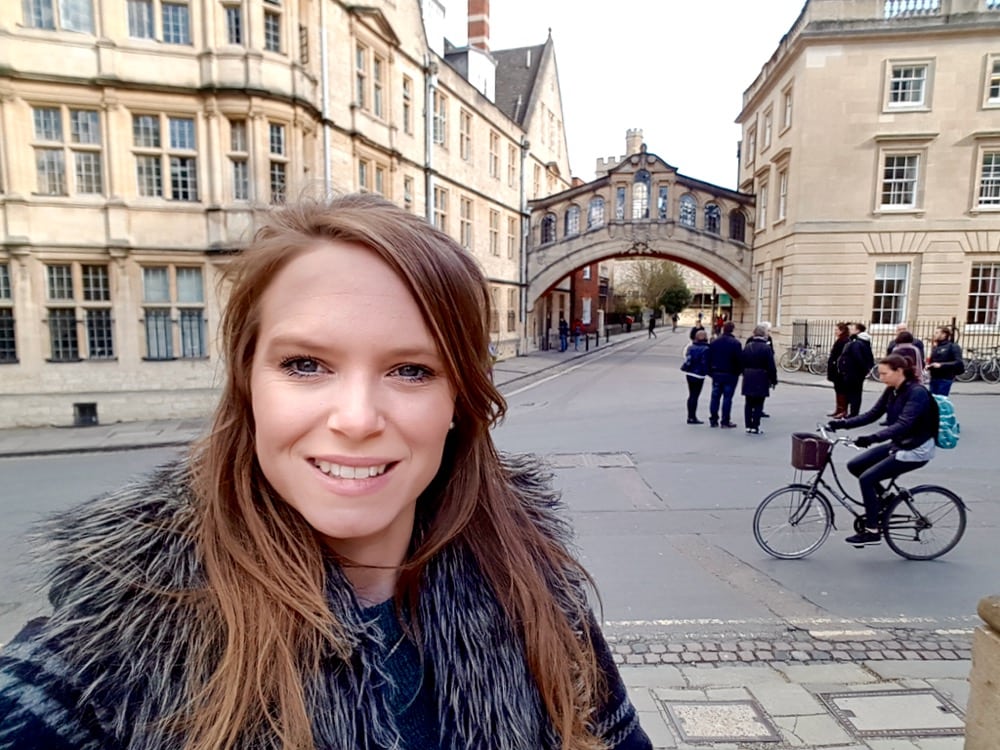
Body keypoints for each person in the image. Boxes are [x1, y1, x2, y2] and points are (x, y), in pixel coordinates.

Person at [0, 195, 651, 750]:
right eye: (307, 364)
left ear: (459, 400)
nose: (358, 418)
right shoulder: (109, 647)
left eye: (411, 370)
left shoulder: (533, 588)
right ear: (248, 382)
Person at [827, 354, 938, 547]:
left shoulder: (917, 393)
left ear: (899, 371)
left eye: (884, 373)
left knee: (867, 479)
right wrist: (840, 424)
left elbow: (903, 424)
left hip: (916, 447)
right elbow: (872, 415)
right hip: (901, 443)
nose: (881, 377)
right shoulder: (892, 390)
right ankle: (886, 499)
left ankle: (872, 530)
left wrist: (872, 438)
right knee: (855, 465)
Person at [741, 325, 777, 434]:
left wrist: (745, 373)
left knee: (748, 402)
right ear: (763, 334)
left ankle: (748, 425)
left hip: (749, 376)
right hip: (762, 376)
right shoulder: (766, 348)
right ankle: (755, 426)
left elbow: (742, 362)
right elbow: (771, 366)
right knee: (758, 403)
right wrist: (773, 380)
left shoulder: (748, 346)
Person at [707, 320, 742, 428]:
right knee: (727, 398)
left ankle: (713, 420)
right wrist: (738, 372)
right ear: (732, 329)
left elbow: (709, 358)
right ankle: (725, 421)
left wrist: (711, 372)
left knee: (715, 397)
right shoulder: (736, 343)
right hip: (730, 374)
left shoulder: (714, 342)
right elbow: (739, 360)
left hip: (717, 373)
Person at [837, 322, 875, 417]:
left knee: (854, 393)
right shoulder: (863, 342)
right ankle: (852, 412)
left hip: (853, 372)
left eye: (852, 328)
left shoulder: (857, 343)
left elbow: (858, 358)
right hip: (856, 372)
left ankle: (853, 413)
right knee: (855, 392)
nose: (850, 330)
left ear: (858, 330)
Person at [682, 328, 711, 424]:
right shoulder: (706, 349)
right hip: (699, 375)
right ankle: (692, 417)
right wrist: (710, 374)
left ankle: (690, 416)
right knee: (695, 395)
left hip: (689, 373)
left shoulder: (691, 347)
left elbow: (687, 358)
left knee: (691, 395)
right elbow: (705, 363)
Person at [927, 326, 964, 396]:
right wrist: (929, 366)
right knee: (933, 401)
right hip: (934, 377)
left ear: (944, 334)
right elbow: (933, 361)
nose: (934, 334)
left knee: (941, 400)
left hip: (945, 378)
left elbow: (958, 362)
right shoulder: (936, 347)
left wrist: (941, 365)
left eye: (937, 333)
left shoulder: (953, 346)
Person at [826, 322, 851, 418]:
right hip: (835, 369)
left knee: (841, 390)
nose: (835, 331)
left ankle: (843, 410)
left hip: (839, 370)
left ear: (842, 330)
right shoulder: (840, 340)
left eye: (837, 330)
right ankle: (838, 409)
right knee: (838, 389)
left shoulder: (844, 341)